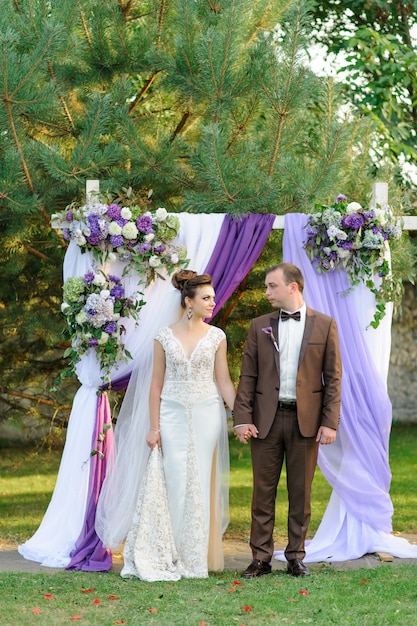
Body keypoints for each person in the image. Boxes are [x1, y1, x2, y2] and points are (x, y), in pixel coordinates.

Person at [121, 270, 236, 581]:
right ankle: (167, 551)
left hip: (207, 412)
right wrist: (153, 427)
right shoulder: (163, 336)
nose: (213, 302)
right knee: (173, 477)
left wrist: (241, 413)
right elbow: (155, 385)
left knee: (199, 480)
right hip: (170, 412)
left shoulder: (217, 337)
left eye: (213, 297)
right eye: (206, 298)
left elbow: (223, 381)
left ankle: (195, 556)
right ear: (189, 301)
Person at [233, 263, 342, 578]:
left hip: (305, 422)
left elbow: (333, 378)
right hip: (266, 421)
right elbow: (248, 377)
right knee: (262, 493)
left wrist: (329, 422)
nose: (266, 292)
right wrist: (242, 419)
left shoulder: (325, 325)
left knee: (301, 492)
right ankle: (261, 558)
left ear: (292, 286)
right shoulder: (259, 326)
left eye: (271, 286)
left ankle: (296, 556)